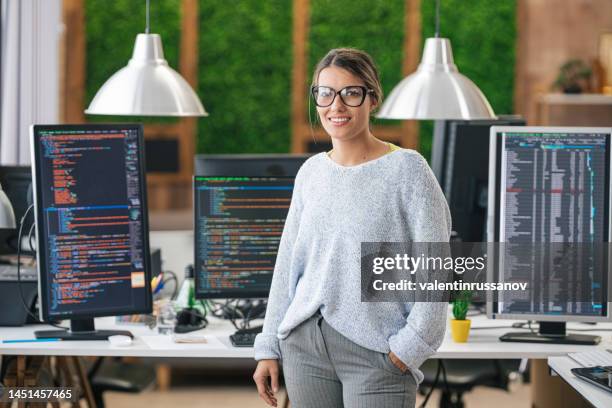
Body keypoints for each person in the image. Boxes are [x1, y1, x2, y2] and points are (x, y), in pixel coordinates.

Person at [253, 48, 451, 407]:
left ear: (372, 98)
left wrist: (410, 347)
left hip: (377, 353)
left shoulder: (408, 170)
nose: (336, 105)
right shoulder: (311, 173)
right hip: (304, 348)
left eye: (351, 93)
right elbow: (287, 267)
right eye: (325, 93)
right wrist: (268, 345)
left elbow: (436, 273)